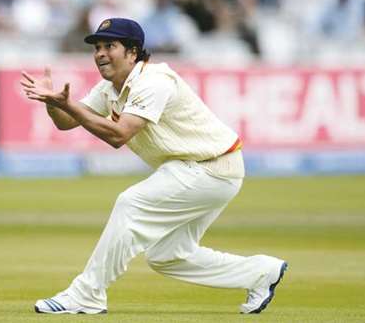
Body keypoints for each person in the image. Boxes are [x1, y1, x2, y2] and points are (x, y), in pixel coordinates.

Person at [20, 17, 287, 315]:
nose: (100, 53)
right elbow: (68, 123)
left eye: (110, 45)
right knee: (167, 255)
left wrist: (67, 105)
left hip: (209, 167)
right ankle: (261, 272)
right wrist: (53, 103)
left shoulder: (154, 81)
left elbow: (119, 135)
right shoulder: (109, 88)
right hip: (203, 170)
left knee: (130, 204)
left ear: (133, 52)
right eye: (97, 47)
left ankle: (87, 294)